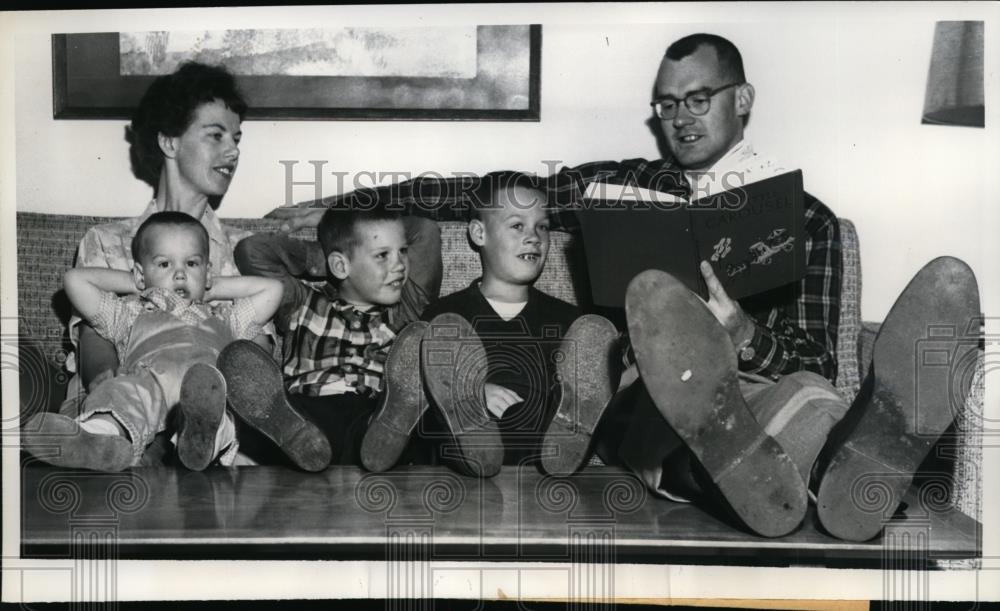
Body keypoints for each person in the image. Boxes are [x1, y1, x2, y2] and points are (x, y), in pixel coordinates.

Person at [269, 33, 980, 543]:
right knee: (662, 415)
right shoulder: (627, 185)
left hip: (766, 382)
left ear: (744, 99)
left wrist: (743, 335)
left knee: (804, 395)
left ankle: (851, 457)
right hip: (651, 394)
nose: (679, 118)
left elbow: (822, 356)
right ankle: (832, 476)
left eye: (697, 98)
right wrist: (361, 207)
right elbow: (489, 191)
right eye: (666, 105)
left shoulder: (808, 220)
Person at [55, 61, 322, 468]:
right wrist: (109, 384)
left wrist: (331, 214)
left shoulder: (241, 248)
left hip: (219, 408)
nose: (233, 151)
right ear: (169, 142)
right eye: (216, 135)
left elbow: (256, 347)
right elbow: (95, 336)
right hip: (125, 397)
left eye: (236, 138)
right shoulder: (107, 240)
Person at [21, 212, 330, 472]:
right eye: (165, 264)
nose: (180, 274)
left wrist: (211, 287)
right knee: (120, 392)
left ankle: (202, 440)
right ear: (141, 274)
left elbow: (272, 290)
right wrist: (139, 286)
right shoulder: (128, 312)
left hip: (205, 391)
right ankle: (96, 440)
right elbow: (75, 280)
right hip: (148, 383)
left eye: (192, 264)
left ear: (207, 272)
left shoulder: (225, 316)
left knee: (223, 411)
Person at [362, 172, 620, 473]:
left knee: (575, 395)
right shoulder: (445, 316)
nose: (534, 237)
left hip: (540, 452)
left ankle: (568, 438)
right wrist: (472, 391)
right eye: (517, 225)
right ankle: (460, 410)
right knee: (435, 387)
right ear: (478, 233)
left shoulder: (572, 322)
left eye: (543, 227)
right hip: (458, 453)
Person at [225, 202, 505, 473]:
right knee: (299, 422)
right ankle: (278, 436)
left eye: (403, 251)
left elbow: (426, 230)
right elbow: (252, 251)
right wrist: (333, 256)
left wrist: (350, 244)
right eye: (382, 255)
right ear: (338, 265)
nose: (400, 265)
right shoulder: (301, 301)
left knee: (409, 425)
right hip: (308, 412)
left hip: (377, 415)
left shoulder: (407, 307)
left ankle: (464, 444)